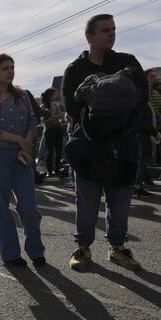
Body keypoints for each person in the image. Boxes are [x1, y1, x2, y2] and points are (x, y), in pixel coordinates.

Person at [62, 14, 150, 271]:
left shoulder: (127, 62)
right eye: (105, 30)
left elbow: (140, 99)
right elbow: (72, 106)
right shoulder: (75, 69)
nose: (111, 34)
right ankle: (83, 247)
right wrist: (98, 131)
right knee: (87, 201)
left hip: (124, 144)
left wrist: (122, 129)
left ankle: (117, 248)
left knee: (120, 200)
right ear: (89, 37)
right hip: (89, 146)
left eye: (113, 29)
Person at [0, 54, 45, 268]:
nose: (10, 71)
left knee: (28, 206)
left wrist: (28, 142)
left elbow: (33, 122)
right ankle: (10, 254)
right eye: (5, 68)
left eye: (12, 67)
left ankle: (36, 250)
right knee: (1, 207)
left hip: (22, 156)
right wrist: (19, 140)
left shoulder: (22, 95)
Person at [40, 88, 66, 178]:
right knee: (50, 152)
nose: (56, 96)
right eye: (54, 94)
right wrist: (56, 117)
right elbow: (45, 121)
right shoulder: (42, 107)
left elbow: (62, 115)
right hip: (49, 131)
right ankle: (49, 172)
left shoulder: (55, 105)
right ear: (49, 95)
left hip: (58, 130)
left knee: (58, 152)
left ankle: (57, 171)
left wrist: (52, 117)